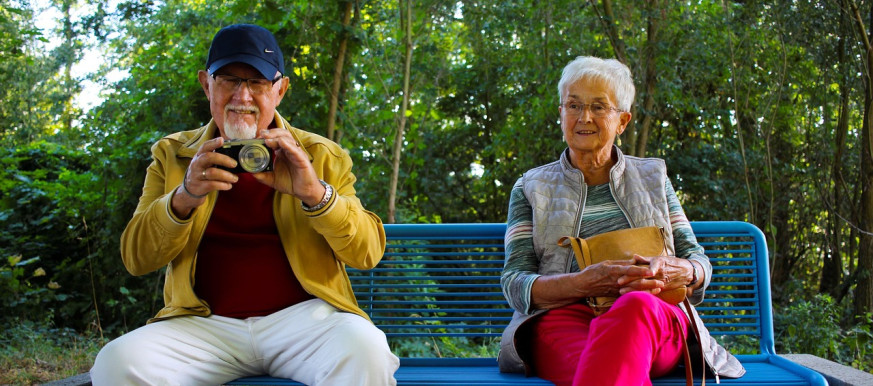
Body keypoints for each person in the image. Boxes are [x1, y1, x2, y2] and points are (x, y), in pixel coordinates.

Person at [90, 24, 399, 385]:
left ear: (280, 90)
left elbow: (367, 254)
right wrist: (184, 197)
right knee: (117, 362)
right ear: (207, 85)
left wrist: (315, 193)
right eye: (229, 80)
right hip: (204, 326)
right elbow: (136, 258)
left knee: (366, 350)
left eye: (258, 83)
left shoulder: (319, 154)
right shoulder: (173, 154)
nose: (242, 96)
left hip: (305, 322)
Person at [497, 56, 745, 386]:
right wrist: (583, 283)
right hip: (565, 318)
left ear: (622, 121)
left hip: (651, 315)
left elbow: (698, 261)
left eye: (599, 107)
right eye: (573, 105)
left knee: (634, 308)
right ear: (561, 114)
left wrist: (679, 270)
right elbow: (515, 283)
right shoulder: (531, 186)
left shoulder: (654, 177)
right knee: (604, 366)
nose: (584, 117)